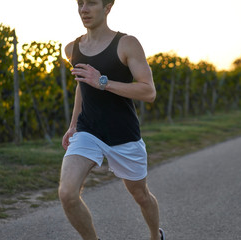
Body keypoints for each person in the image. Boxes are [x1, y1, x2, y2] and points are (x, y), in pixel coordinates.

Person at [58, 0, 165, 239]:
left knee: (141, 195)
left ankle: (155, 236)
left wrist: (103, 82)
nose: (83, 9)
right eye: (80, 3)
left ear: (107, 8)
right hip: (88, 131)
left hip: (123, 134)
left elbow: (149, 92)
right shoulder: (72, 49)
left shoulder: (127, 44)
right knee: (67, 193)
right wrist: (74, 124)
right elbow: (82, 86)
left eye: (92, 3)